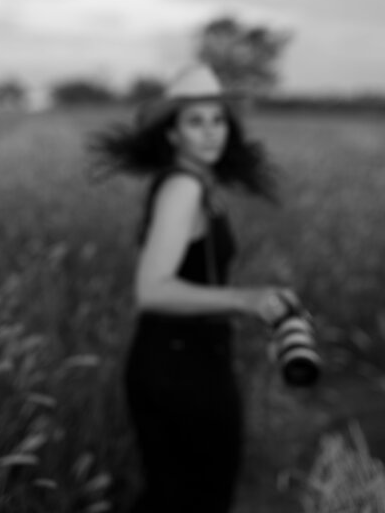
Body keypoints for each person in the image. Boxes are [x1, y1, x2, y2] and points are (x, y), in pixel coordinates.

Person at [90, 63, 298, 513]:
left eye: (218, 119)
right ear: (172, 134)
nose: (211, 132)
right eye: (195, 121)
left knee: (174, 498)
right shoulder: (183, 187)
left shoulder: (196, 185)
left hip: (182, 360)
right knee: (196, 498)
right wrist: (247, 300)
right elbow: (151, 290)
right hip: (179, 368)